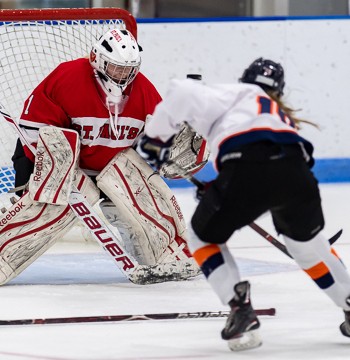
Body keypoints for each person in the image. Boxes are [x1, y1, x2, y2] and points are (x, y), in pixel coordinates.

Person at [141, 58, 350, 350]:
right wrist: (223, 188)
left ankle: (240, 308)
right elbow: (289, 163)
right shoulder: (280, 114)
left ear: (244, 80)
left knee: (202, 238)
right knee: (308, 246)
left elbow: (184, 91)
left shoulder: (233, 94)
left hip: (246, 168)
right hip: (298, 174)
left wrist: (155, 140)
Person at [1, 28, 200, 285]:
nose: (123, 75)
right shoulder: (68, 77)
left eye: (128, 69)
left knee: (146, 201)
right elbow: (33, 130)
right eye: (116, 67)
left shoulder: (143, 91)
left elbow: (157, 142)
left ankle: (169, 254)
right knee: (48, 208)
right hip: (62, 167)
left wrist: (173, 148)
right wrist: (52, 168)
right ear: (98, 59)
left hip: (111, 169)